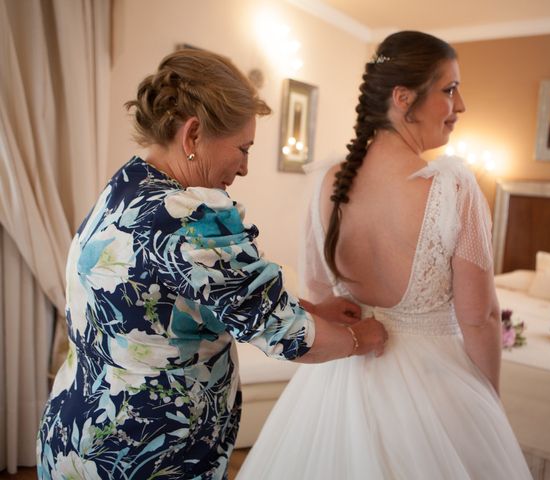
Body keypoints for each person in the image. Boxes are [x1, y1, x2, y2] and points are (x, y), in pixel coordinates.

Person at [36, 49, 387, 479]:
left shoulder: (126, 185)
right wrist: (360, 338)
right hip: (149, 453)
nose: (244, 166)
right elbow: (288, 336)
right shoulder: (192, 214)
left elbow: (207, 293)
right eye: (242, 148)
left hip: (75, 433)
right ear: (193, 134)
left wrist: (313, 308)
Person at [238, 31, 532, 479]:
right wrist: (487, 401)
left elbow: (320, 293)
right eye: (450, 89)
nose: (461, 105)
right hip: (437, 389)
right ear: (403, 97)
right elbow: (480, 316)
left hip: (338, 382)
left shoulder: (326, 182)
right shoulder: (454, 186)